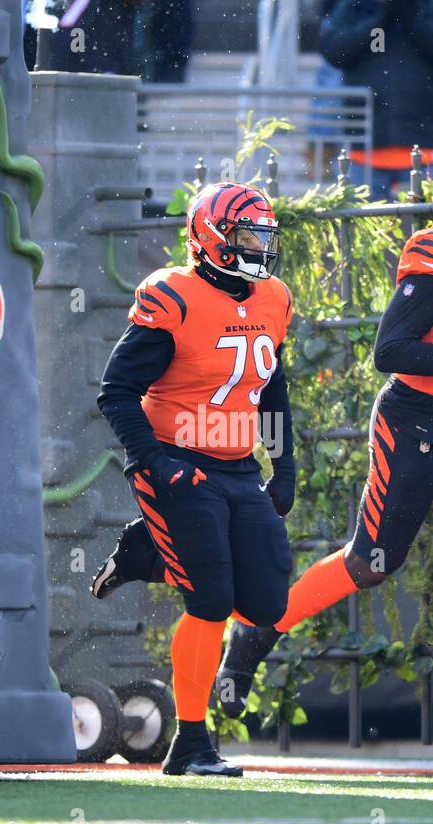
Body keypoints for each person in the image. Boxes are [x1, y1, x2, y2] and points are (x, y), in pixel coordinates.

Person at [96, 144, 433, 768]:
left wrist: (281, 463)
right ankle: (260, 629)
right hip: (418, 422)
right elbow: (390, 351)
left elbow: (275, 384)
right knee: (372, 561)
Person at [95, 182, 297, 776]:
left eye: (265, 234)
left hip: (236, 466)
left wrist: (283, 464)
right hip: (179, 467)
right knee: (208, 601)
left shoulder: (273, 298)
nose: (260, 246)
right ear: (212, 238)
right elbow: (117, 392)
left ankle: (148, 554)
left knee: (264, 601)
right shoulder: (173, 297)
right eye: (247, 234)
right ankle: (191, 742)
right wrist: (156, 464)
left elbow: (272, 389)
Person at [319, 0, 433, 198]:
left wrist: (413, 19)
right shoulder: (357, 5)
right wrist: (379, 21)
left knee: (425, 227)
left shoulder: (432, 5)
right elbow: (334, 50)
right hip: (364, 151)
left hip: (425, 150)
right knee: (360, 226)